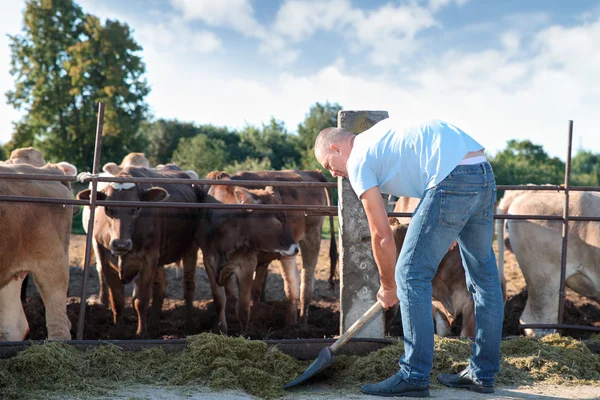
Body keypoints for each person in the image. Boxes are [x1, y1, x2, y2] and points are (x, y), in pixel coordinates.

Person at [314, 118, 503, 397]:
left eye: (329, 165)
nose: (333, 174)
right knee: (484, 279)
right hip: (482, 172)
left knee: (409, 274)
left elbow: (381, 235)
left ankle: (413, 375)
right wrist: (448, 226)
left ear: (336, 148)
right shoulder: (378, 137)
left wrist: (389, 286)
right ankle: (483, 373)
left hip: (452, 178)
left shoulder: (358, 161)